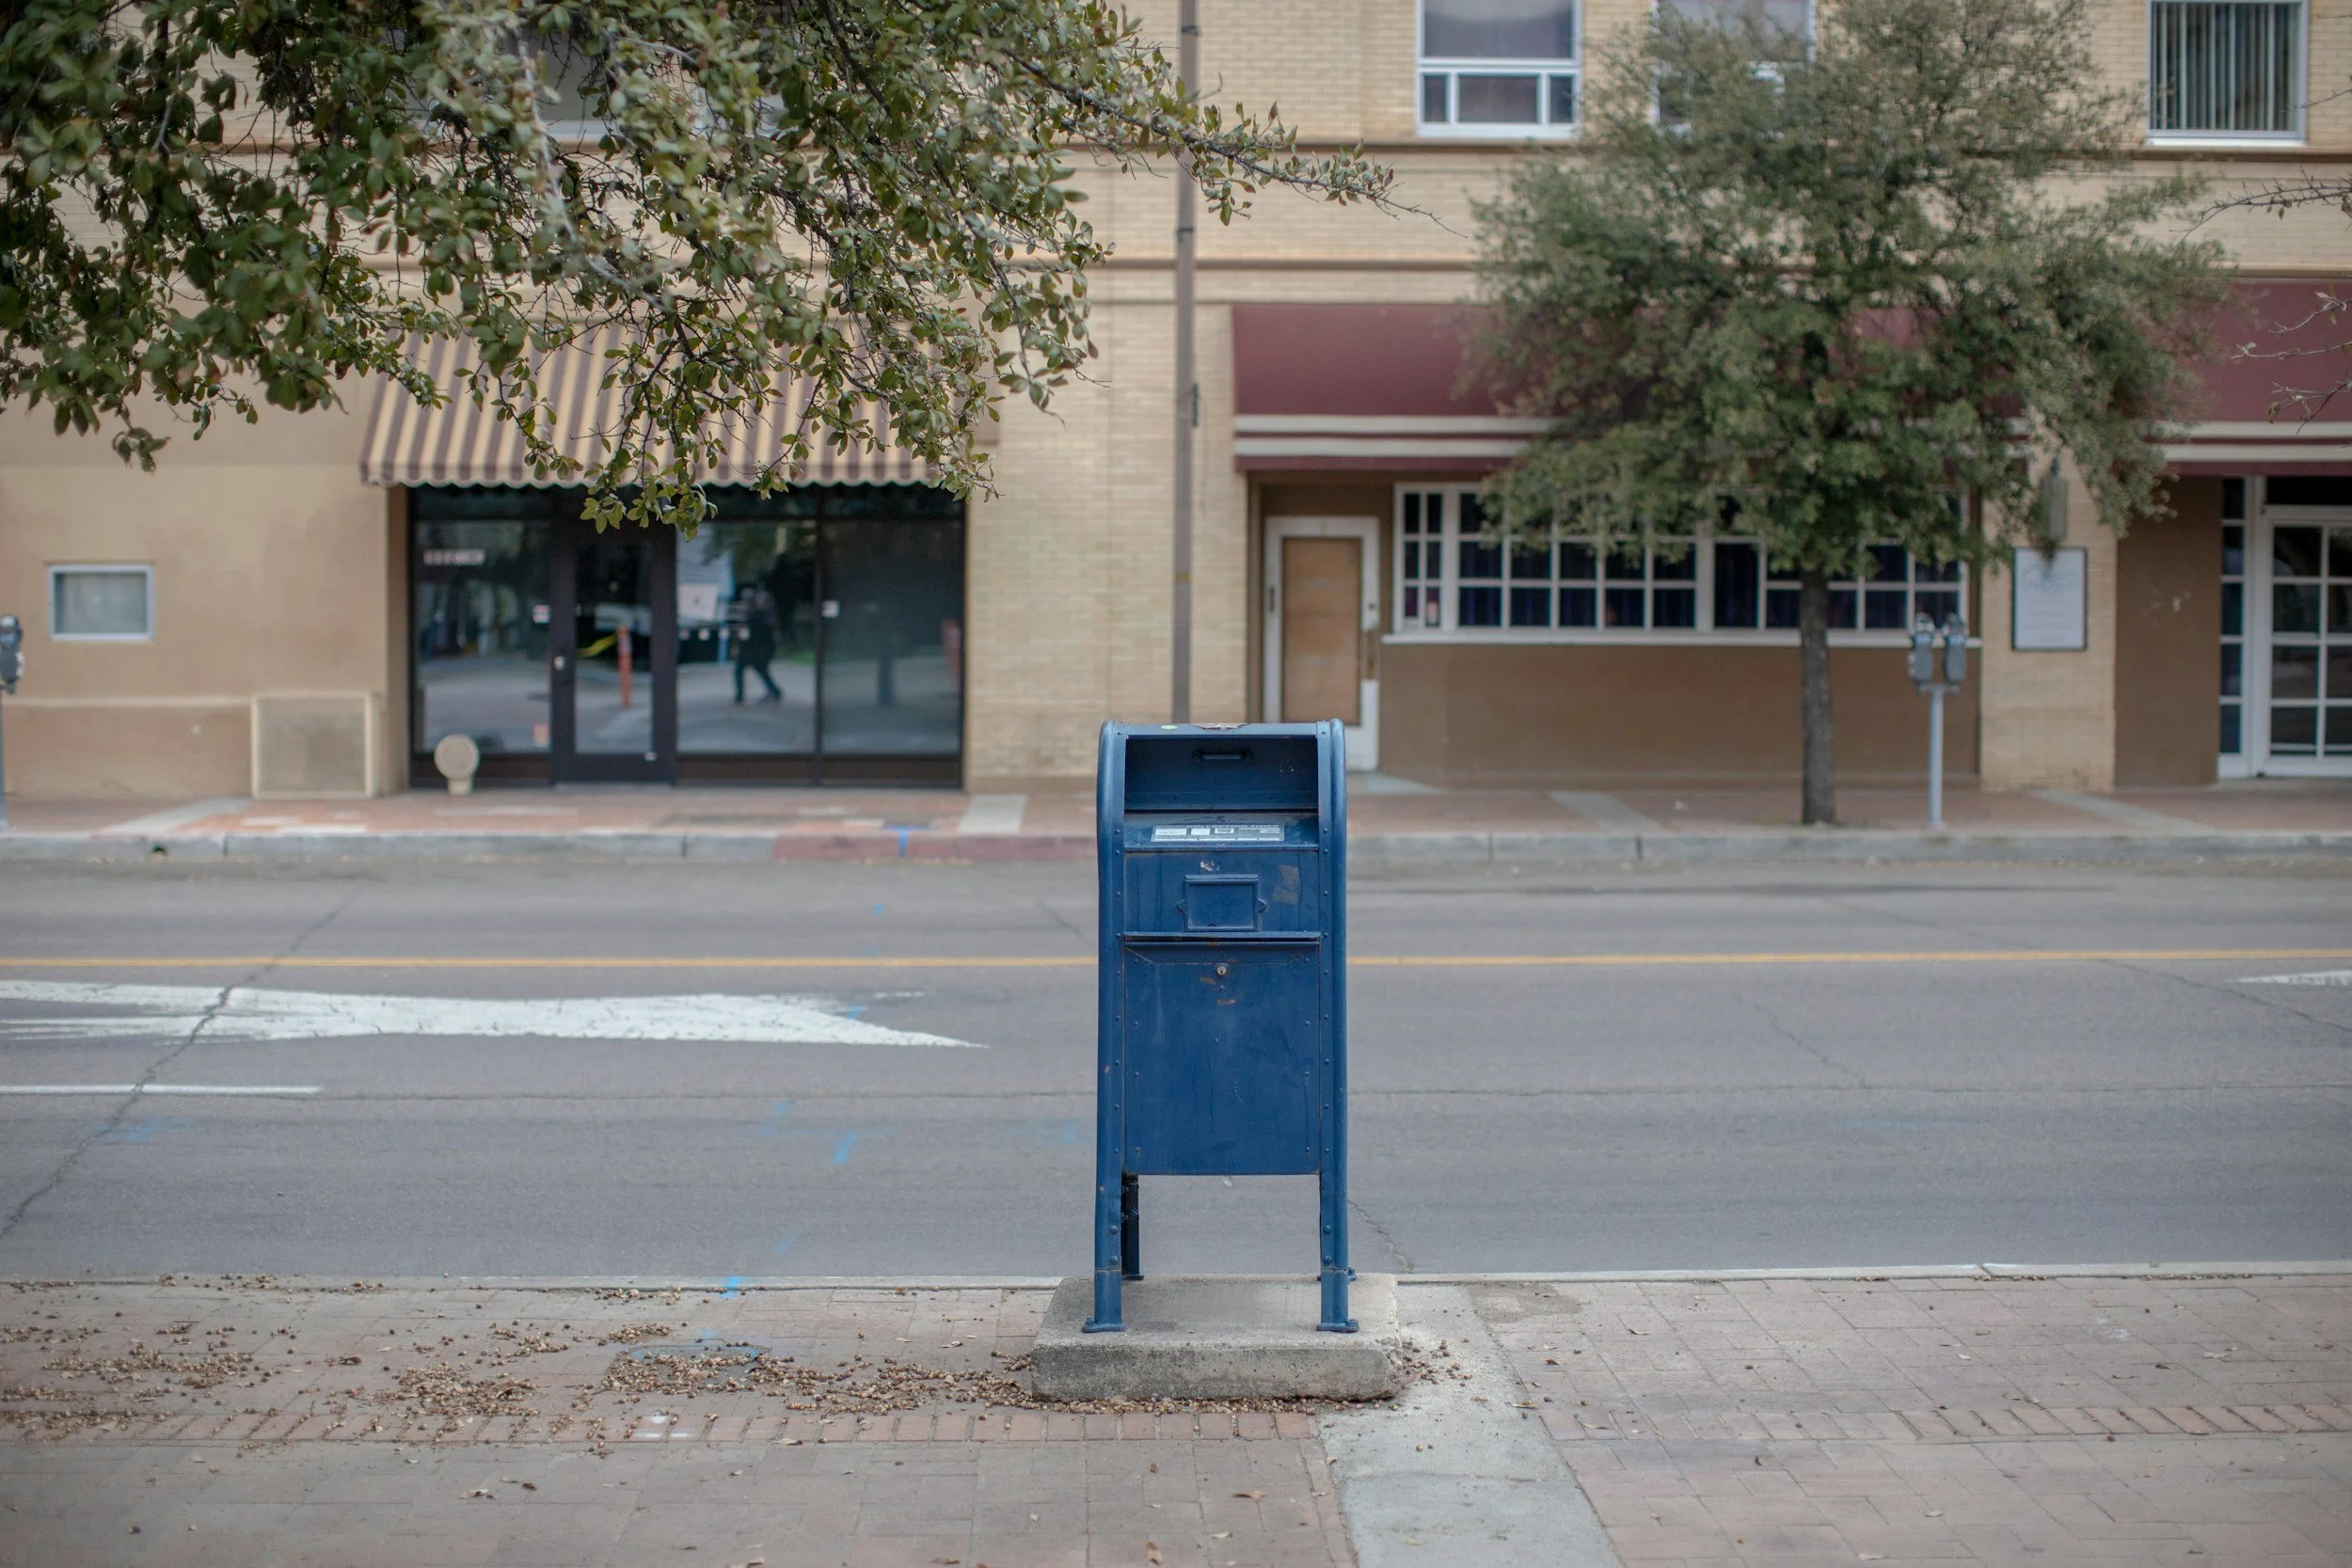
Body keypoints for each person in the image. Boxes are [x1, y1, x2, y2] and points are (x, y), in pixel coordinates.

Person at [731, 584, 782, 704]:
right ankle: (774, 691)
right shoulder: (756, 613)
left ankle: (740, 696)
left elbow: (749, 633)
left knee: (742, 671)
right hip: (755, 649)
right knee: (760, 671)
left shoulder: (752, 614)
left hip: (752, 649)